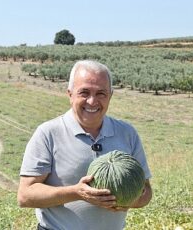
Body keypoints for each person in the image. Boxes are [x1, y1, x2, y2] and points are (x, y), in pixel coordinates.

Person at [17, 60, 152, 230]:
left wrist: (130, 200)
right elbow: (25, 195)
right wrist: (76, 193)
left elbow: (146, 191)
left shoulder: (127, 133)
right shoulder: (48, 133)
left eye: (101, 93)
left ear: (110, 95)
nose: (92, 101)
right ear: (70, 94)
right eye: (84, 92)